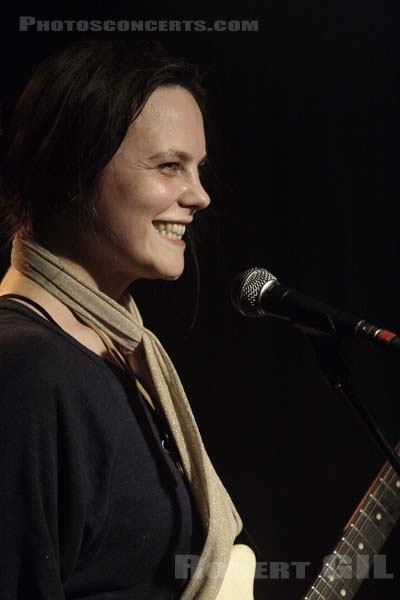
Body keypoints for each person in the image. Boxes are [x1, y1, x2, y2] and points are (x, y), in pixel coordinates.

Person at [0, 39, 255, 599]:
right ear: (73, 171)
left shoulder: (112, 350)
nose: (200, 196)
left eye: (198, 168)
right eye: (169, 166)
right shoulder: (27, 370)